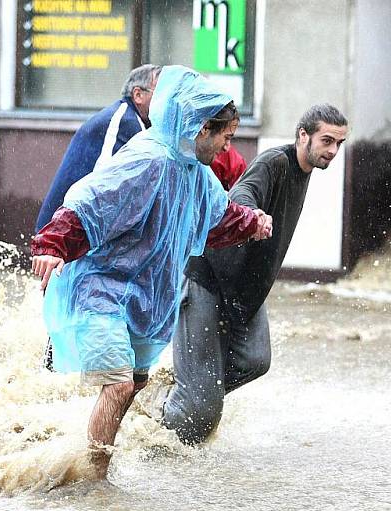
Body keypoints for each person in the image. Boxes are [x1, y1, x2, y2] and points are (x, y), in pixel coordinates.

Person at [30, 66, 273, 479]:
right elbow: (90, 201)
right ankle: (92, 476)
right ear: (201, 129)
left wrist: (252, 222)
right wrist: (52, 245)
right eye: (225, 137)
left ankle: (92, 459)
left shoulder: (195, 173)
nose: (227, 148)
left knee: (136, 382)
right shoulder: (148, 159)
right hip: (102, 287)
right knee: (120, 383)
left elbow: (216, 218)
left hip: (145, 294)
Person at [140, 104, 349, 445]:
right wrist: (253, 215)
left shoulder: (304, 169)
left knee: (255, 360)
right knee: (200, 416)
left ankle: (178, 392)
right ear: (303, 135)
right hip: (207, 279)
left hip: (244, 288)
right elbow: (241, 194)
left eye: (339, 143)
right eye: (327, 141)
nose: (333, 151)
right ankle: (148, 430)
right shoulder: (275, 162)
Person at [34, 64, 162, 232]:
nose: (166, 100)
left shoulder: (130, 119)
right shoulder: (124, 121)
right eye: (160, 93)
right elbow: (108, 188)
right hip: (64, 236)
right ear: (138, 94)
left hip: (64, 234)